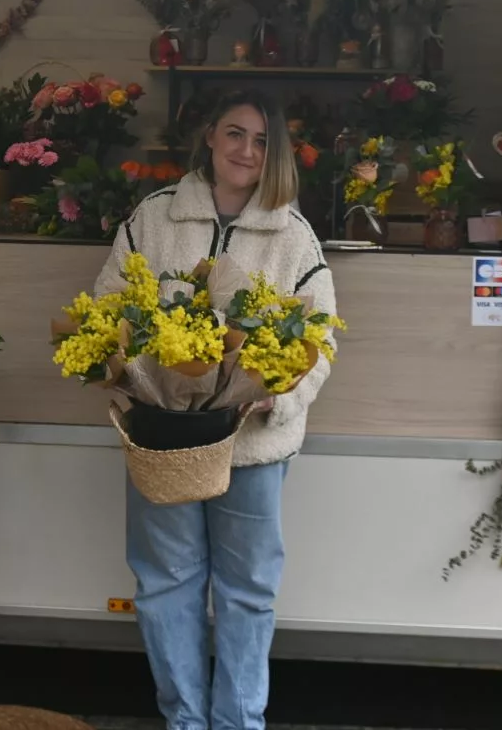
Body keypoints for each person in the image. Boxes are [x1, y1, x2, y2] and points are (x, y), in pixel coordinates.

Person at [94, 90, 338, 730]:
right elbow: (109, 304)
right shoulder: (154, 217)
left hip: (251, 447)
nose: (246, 151)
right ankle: (184, 720)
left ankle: (237, 723)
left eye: (261, 141)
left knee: (247, 591)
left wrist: (279, 393)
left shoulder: (293, 235)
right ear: (209, 136)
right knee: (164, 584)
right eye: (235, 134)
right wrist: (131, 375)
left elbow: (322, 340)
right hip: (164, 441)